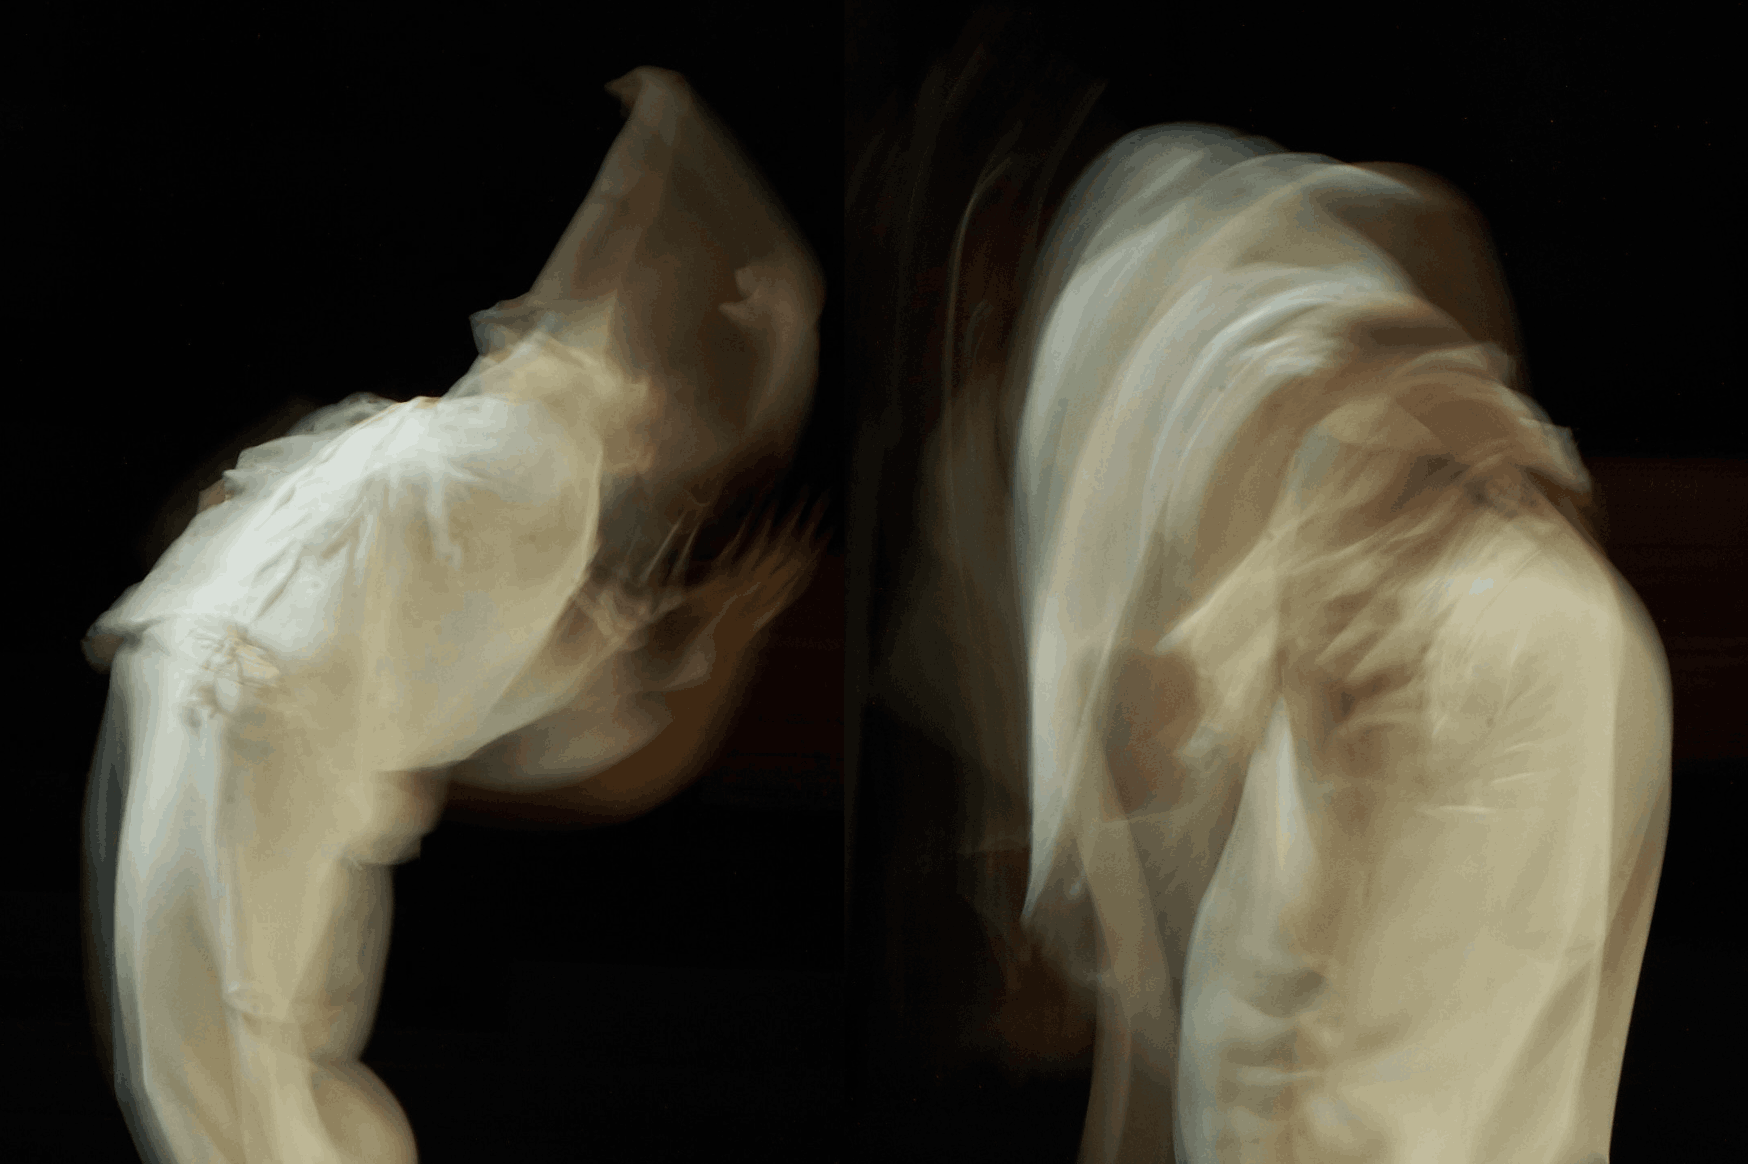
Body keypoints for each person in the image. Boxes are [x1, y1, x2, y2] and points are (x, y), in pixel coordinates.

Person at [80, 67, 824, 1163]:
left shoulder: (514, 462)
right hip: (226, 711)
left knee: (234, 1095)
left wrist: (701, 655)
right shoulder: (507, 455)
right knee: (228, 1091)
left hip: (234, 719)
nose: (538, 322)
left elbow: (582, 745)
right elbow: (582, 742)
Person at [999, 125, 1671, 1162]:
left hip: (1468, 646)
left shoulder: (1173, 292)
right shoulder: (1145, 403)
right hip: (1399, 651)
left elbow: (1416, 289)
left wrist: (1434, 450)